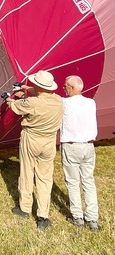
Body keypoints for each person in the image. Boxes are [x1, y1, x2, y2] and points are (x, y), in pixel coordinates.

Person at [6, 70, 63, 230]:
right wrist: (24, 87)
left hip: (31, 139)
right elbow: (42, 93)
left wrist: (8, 99)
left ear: (38, 85)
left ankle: (24, 209)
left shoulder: (32, 103)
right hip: (49, 142)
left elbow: (15, 107)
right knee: (45, 178)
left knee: (26, 173)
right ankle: (43, 216)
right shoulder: (58, 100)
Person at [60, 75, 99, 231]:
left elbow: (46, 97)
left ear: (71, 88)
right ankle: (92, 218)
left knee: (73, 182)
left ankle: (77, 217)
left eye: (65, 87)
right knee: (89, 182)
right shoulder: (91, 103)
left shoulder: (65, 103)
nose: (64, 89)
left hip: (71, 146)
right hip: (89, 147)